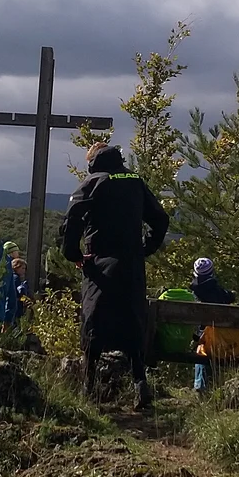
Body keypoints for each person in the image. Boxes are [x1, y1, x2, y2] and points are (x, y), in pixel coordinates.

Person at [60, 142, 169, 409]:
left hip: (99, 263)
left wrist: (72, 254)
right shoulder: (134, 180)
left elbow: (72, 220)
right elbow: (160, 218)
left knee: (94, 320)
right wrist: (147, 247)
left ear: (92, 161)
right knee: (132, 320)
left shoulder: (92, 182)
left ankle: (88, 388)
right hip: (131, 263)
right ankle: (140, 385)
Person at [189, 256, 235, 394]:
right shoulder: (218, 292)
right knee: (207, 343)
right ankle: (210, 385)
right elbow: (229, 297)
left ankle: (200, 386)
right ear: (212, 272)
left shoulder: (193, 293)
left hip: (198, 333)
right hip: (219, 334)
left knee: (202, 346)